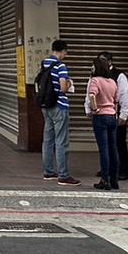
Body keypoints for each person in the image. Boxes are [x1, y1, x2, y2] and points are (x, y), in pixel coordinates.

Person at [38, 39, 80, 186]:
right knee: (61, 141)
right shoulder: (61, 66)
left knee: (48, 140)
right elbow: (63, 88)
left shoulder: (44, 63)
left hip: (46, 105)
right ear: (62, 51)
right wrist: (69, 84)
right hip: (59, 106)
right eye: (65, 52)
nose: (65, 55)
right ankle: (64, 175)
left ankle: (48, 171)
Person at [86, 53, 121, 191]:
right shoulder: (112, 82)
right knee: (114, 148)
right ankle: (114, 180)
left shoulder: (95, 80)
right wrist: (114, 113)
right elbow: (116, 100)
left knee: (104, 149)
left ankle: (104, 179)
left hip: (101, 117)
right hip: (112, 116)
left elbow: (92, 95)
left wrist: (94, 109)